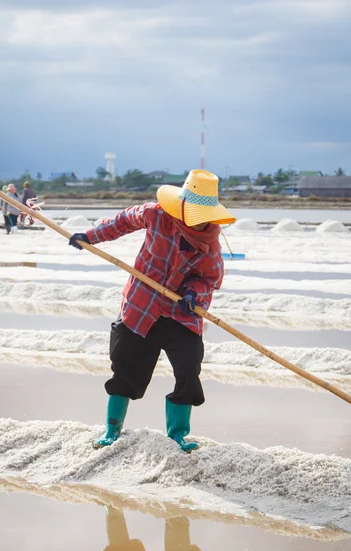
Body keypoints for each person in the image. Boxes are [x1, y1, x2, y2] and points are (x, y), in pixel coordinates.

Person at [69, 169, 236, 452]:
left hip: (181, 315)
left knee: (188, 370)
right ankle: (111, 430)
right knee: (124, 368)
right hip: (142, 307)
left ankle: (178, 435)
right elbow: (122, 221)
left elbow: (210, 279)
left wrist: (193, 293)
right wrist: (90, 237)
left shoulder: (209, 244)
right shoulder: (156, 215)